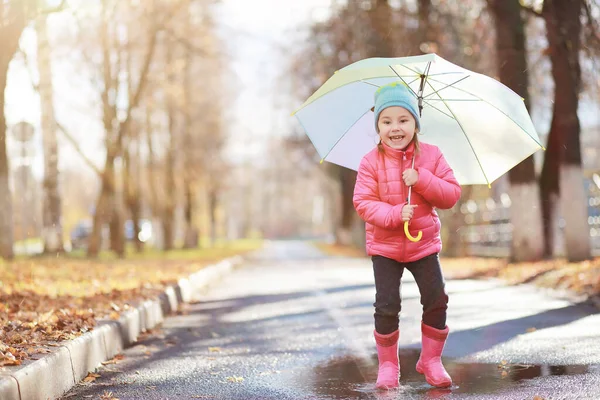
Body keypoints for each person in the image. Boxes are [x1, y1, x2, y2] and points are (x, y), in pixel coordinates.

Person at [353, 81, 461, 389]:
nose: (395, 128)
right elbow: (362, 201)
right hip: (385, 246)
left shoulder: (432, 156)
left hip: (423, 244)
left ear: (415, 123)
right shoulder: (369, 162)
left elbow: (451, 195)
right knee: (387, 304)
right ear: (378, 126)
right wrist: (392, 214)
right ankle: (388, 365)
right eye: (387, 122)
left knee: (436, 298)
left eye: (403, 120)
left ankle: (431, 360)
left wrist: (423, 178)